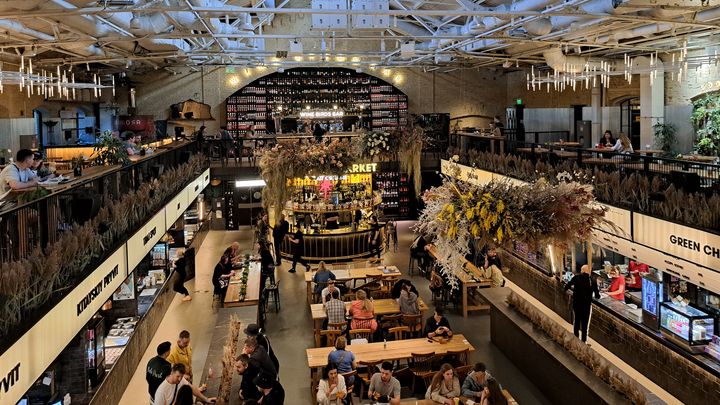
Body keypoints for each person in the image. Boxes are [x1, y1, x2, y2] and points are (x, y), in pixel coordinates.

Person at [565, 264, 600, 342]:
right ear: (589, 271)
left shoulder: (576, 278)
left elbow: (566, 287)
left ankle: (576, 337)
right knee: (585, 324)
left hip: (576, 304)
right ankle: (584, 341)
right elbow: (597, 295)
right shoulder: (592, 280)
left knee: (576, 320)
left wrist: (572, 292)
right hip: (586, 306)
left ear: (583, 271)